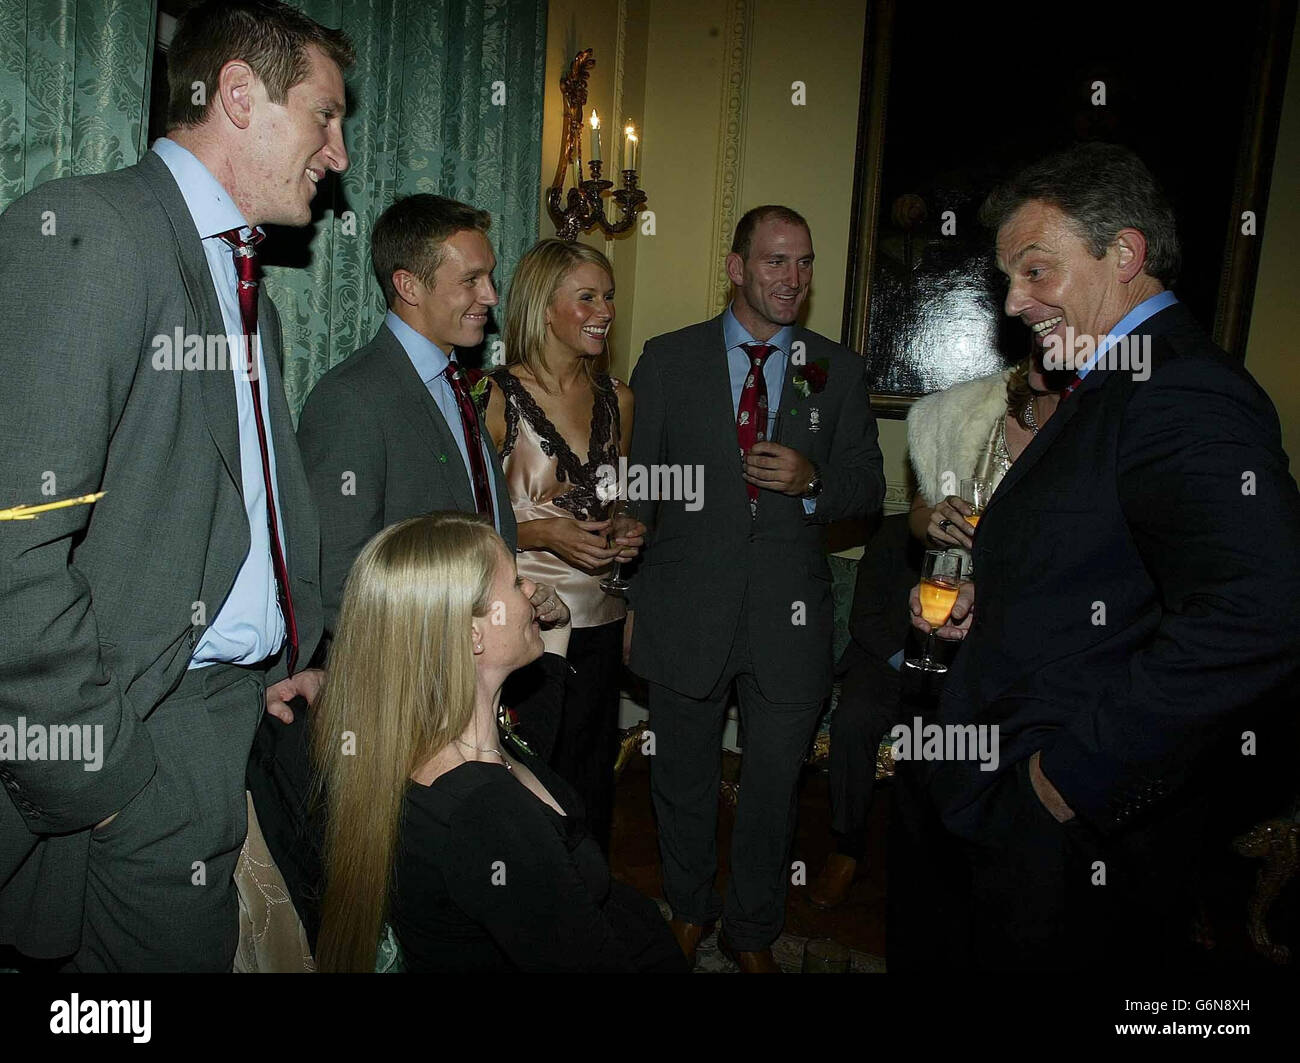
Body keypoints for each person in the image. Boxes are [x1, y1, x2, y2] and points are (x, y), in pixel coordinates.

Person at [0, 0, 351, 971]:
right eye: (325, 115)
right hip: (136, 736)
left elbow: (229, 507)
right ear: (238, 95)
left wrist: (287, 635)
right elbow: (10, 542)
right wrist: (105, 775)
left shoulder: (245, 293)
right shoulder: (90, 235)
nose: (340, 152)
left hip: (227, 714)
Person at [903, 142, 1300, 970]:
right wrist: (999, 599)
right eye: (1010, 275)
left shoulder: (1183, 389)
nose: (1015, 301)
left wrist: (1068, 778)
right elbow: (1110, 566)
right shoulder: (1114, 378)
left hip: (1074, 819)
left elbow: (1259, 608)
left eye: (1036, 270)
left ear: (1124, 253)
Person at [627, 205, 885, 971]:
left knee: (773, 791)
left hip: (790, 618)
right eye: (776, 261)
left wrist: (812, 483)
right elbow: (642, 486)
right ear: (737, 267)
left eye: (804, 263)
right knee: (681, 780)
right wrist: (631, 598)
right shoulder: (669, 359)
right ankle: (689, 906)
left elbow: (868, 488)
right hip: (684, 607)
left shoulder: (834, 367)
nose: (793, 279)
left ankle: (751, 931)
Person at [312, 513, 685, 973]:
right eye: (516, 583)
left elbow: (535, 734)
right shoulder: (484, 817)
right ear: (471, 634)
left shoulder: (455, 742)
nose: (531, 590)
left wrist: (555, 624)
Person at [809, 357, 1065, 908]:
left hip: (969, 668)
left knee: (942, 743)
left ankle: (944, 861)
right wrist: (909, 662)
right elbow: (867, 622)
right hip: (889, 659)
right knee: (854, 720)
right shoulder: (900, 531)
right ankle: (846, 848)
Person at [298, 193, 517, 649]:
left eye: (490, 276)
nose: (491, 296)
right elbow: (341, 580)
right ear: (409, 286)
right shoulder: (351, 398)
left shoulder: (456, 383)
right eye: (471, 280)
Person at [483, 239, 642, 854]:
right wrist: (540, 531)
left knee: (588, 783)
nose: (604, 309)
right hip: (523, 620)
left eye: (608, 296)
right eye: (586, 297)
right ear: (543, 307)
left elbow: (615, 500)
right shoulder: (494, 397)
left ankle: (585, 916)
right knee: (523, 776)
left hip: (601, 617)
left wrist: (626, 529)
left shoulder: (618, 399)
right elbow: (464, 524)